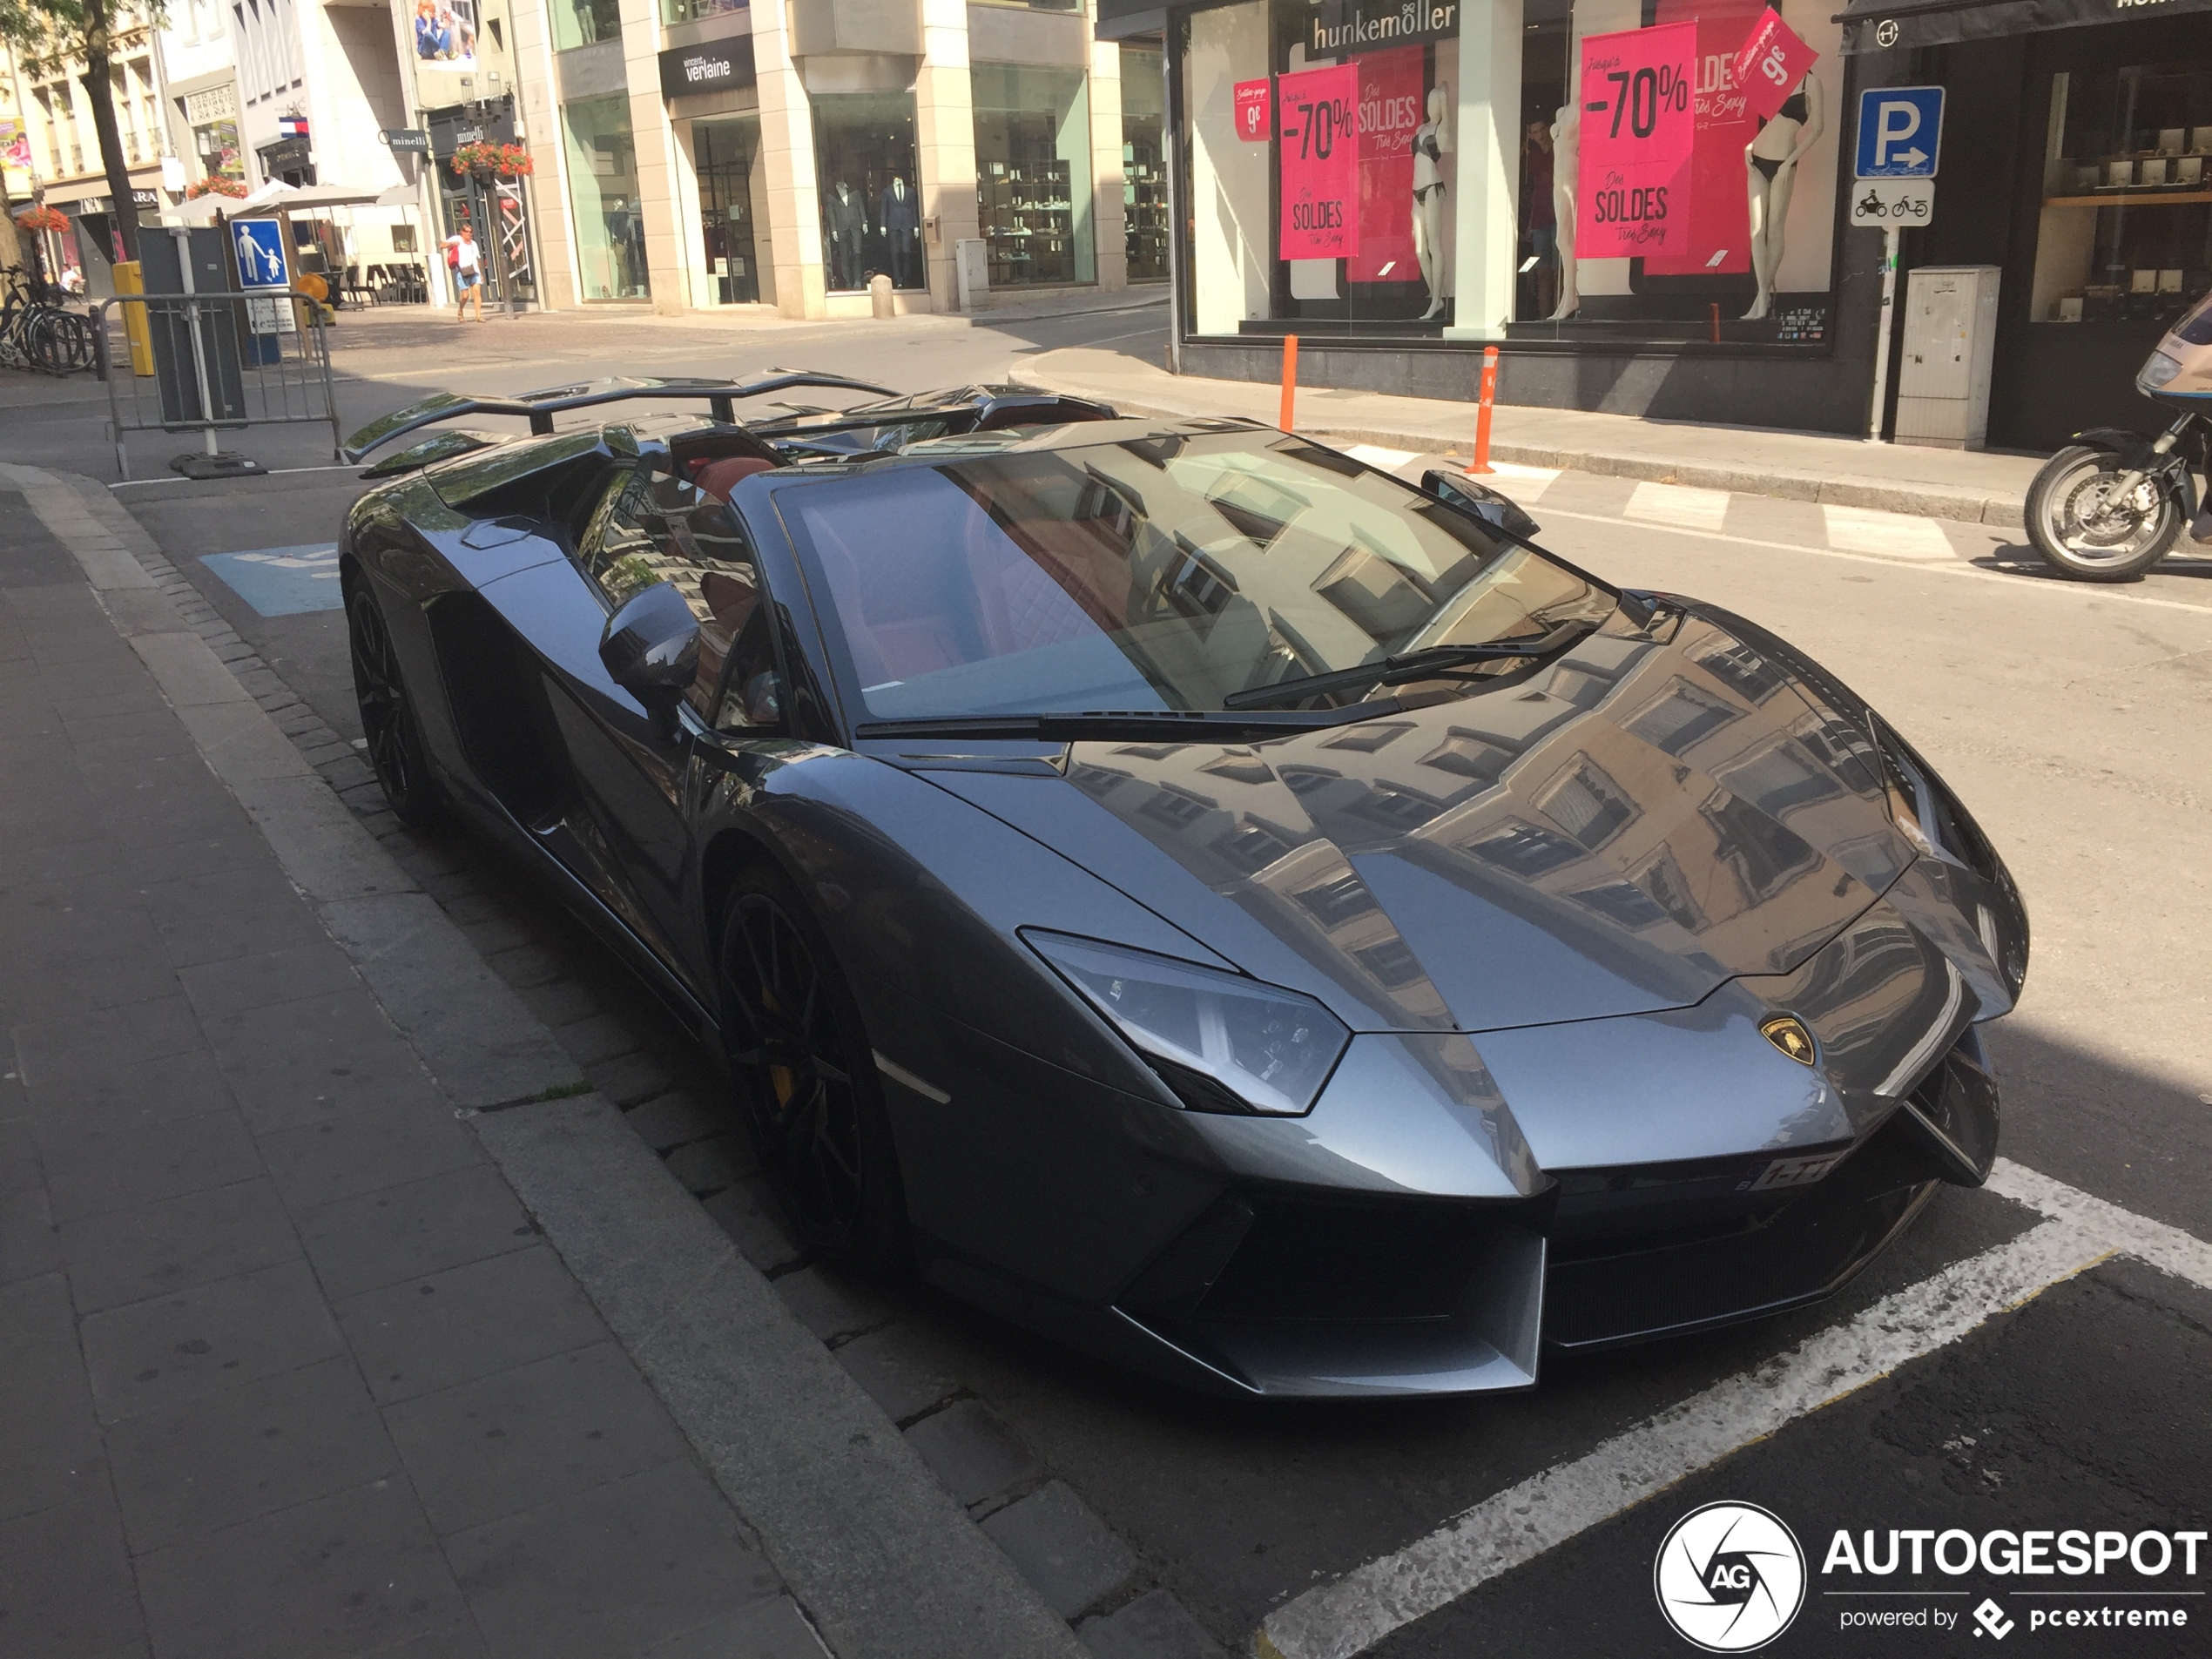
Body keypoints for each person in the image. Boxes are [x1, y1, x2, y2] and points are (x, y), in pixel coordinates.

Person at [1522, 117, 1557, 320]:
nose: (1540, 134)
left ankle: (1560, 315)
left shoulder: (1558, 149)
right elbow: (1535, 190)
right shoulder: (1533, 156)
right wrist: (1529, 224)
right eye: (1535, 132)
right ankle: (1544, 317)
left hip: (1558, 216)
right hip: (1539, 220)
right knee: (1541, 269)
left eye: (1542, 129)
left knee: (1557, 269)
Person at [445, 226, 485, 320]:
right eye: (467, 231)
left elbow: (478, 258)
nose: (469, 234)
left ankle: (478, 316)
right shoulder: (457, 239)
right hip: (462, 271)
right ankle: (460, 310)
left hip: (474, 271)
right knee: (465, 296)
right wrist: (452, 243)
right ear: (462, 232)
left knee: (477, 292)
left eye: (470, 232)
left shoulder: (474, 244)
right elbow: (441, 245)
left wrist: (481, 273)